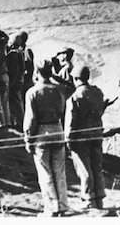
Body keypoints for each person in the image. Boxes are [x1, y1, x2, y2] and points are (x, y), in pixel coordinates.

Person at [24, 58, 68, 216]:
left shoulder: (33, 92)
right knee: (59, 171)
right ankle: (62, 205)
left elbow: (30, 119)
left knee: (45, 173)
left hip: (41, 134)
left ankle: (51, 208)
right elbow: (63, 111)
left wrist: (28, 139)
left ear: (37, 72)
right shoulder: (59, 90)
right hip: (58, 130)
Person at [64, 64, 106, 210]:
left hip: (81, 138)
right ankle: (99, 197)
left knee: (84, 169)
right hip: (97, 135)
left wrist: (68, 141)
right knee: (97, 167)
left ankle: (88, 199)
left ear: (75, 79)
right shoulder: (98, 93)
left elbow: (70, 122)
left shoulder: (74, 97)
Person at [6, 33, 26, 130]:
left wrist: (11, 83)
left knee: (16, 102)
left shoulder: (14, 53)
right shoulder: (20, 52)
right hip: (20, 80)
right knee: (18, 102)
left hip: (15, 82)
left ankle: (19, 123)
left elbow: (14, 70)